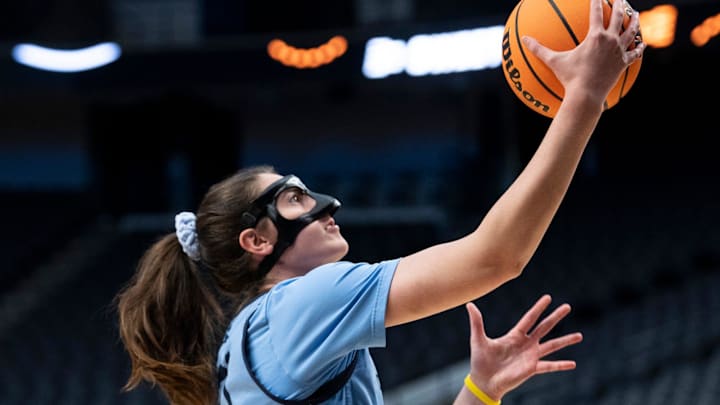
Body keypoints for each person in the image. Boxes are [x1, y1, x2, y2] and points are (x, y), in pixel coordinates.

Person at [115, 0, 645, 403]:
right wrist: (584, 98)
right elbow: (497, 257)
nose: (329, 205)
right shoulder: (306, 302)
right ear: (257, 239)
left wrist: (480, 391)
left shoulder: (251, 338)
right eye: (296, 198)